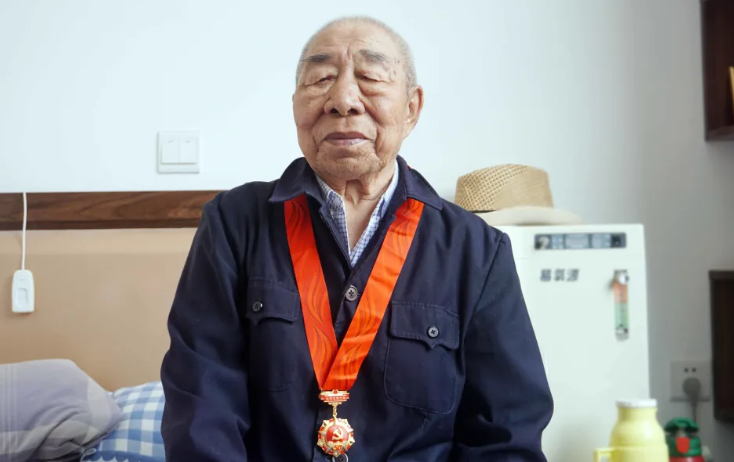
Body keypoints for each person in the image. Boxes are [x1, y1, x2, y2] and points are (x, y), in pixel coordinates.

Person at [160, 15, 553, 462]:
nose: (343, 99)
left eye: (371, 77)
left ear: (411, 108)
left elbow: (505, 435)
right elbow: (202, 405)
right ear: (296, 106)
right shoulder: (233, 224)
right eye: (321, 79)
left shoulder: (477, 252)